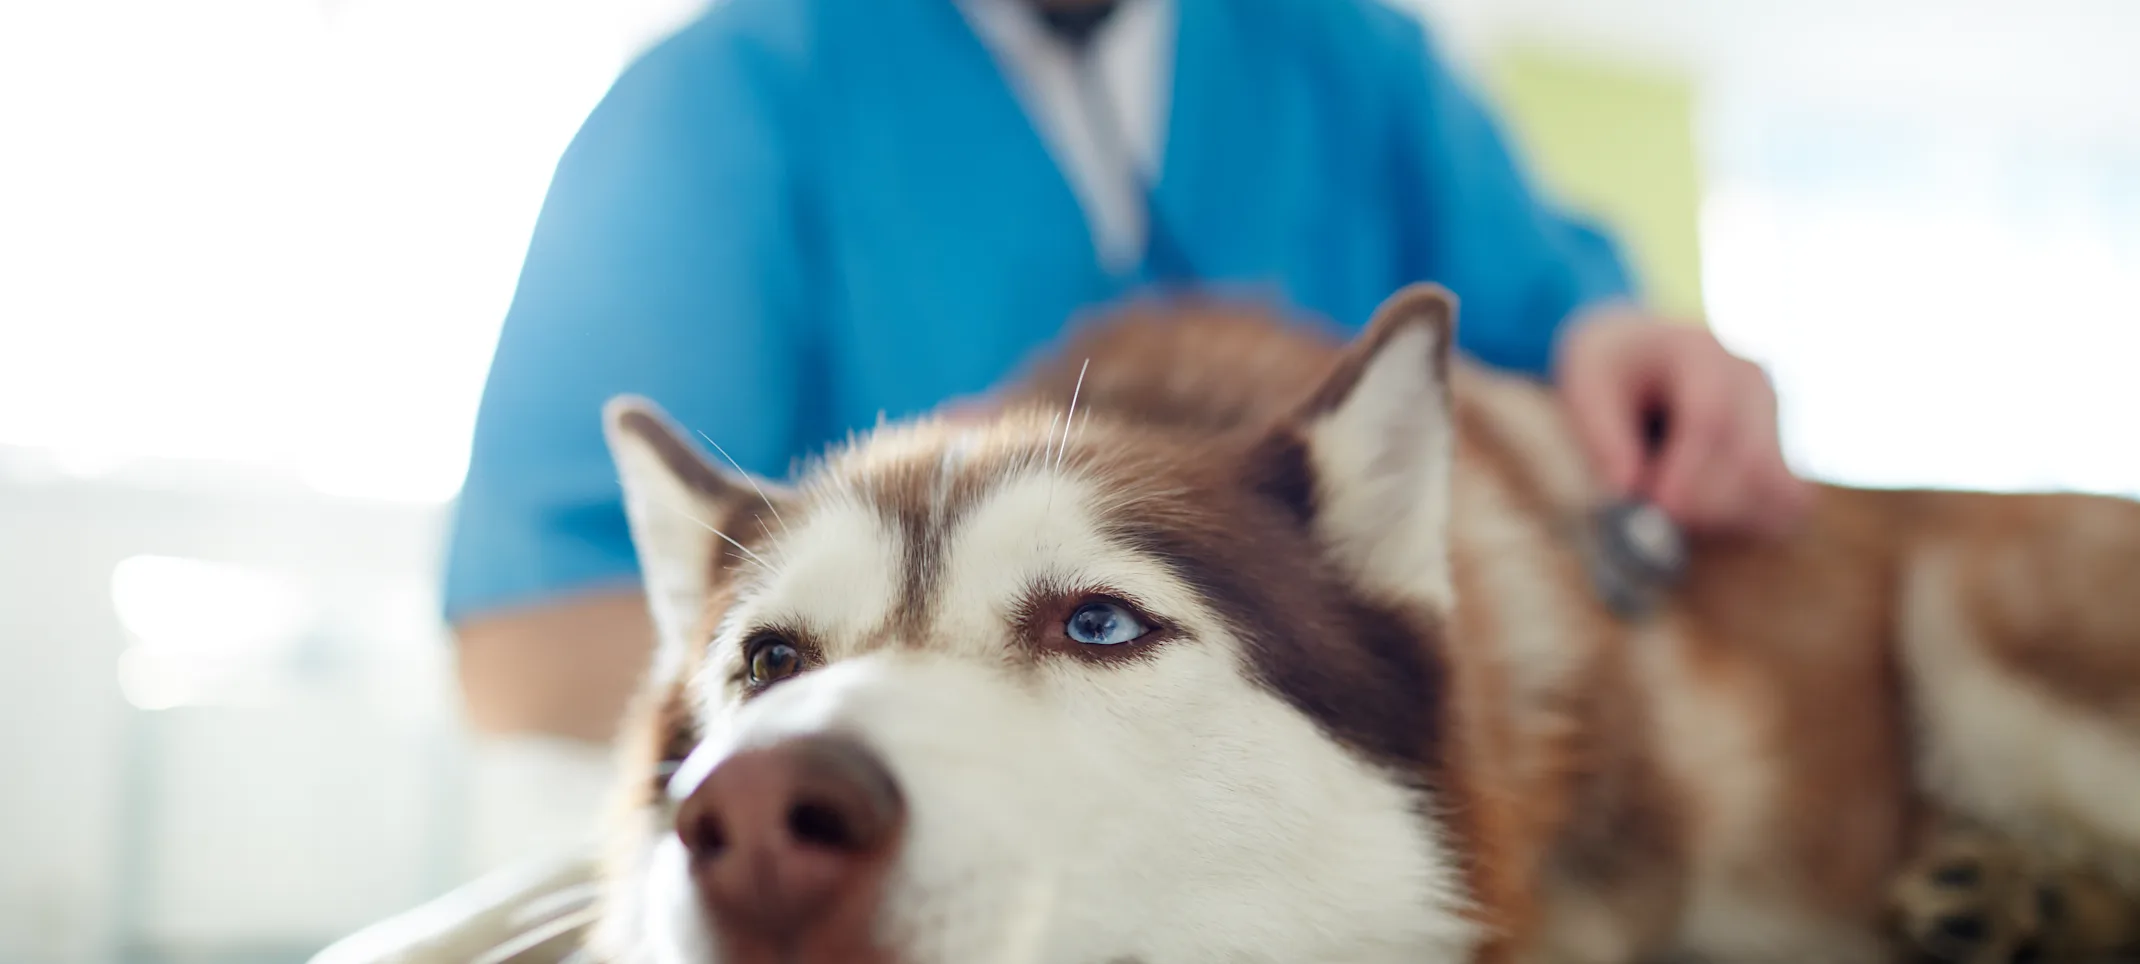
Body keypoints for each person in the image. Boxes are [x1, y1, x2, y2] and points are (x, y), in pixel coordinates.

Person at [440, 0, 1807, 865]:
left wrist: (1623, 354)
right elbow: (529, 646)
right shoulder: (724, 100)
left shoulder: (1356, 61)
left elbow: (1551, 335)